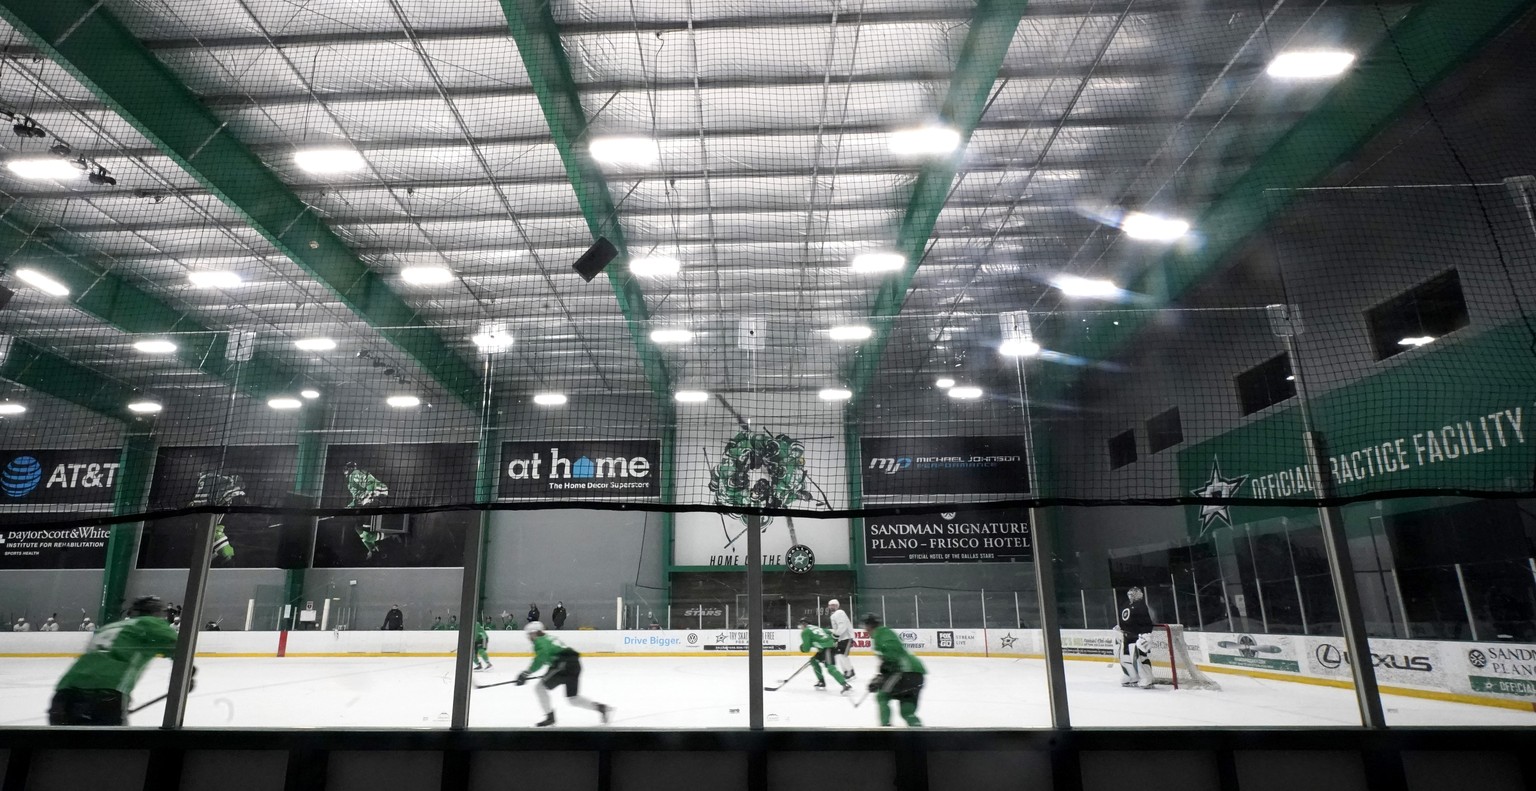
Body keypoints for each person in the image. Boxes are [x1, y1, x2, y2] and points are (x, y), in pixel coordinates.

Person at [49, 596, 183, 725]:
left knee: (63, 746)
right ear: (155, 612)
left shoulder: (109, 627)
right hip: (106, 693)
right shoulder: (150, 623)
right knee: (113, 746)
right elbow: (180, 647)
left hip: (64, 694)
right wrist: (187, 674)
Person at [517, 621, 610, 727]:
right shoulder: (548, 638)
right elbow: (551, 657)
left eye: (529, 634)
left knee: (540, 688)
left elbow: (540, 659)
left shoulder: (540, 642)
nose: (529, 637)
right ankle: (603, 708)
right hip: (573, 664)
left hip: (563, 665)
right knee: (573, 699)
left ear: (534, 633)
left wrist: (525, 673)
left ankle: (550, 717)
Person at [860, 613, 925, 727]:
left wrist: (883, 673)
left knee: (882, 696)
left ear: (869, 626)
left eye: (865, 626)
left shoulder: (881, 634)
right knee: (906, 710)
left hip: (905, 672)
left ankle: (885, 730)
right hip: (916, 673)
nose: (865, 630)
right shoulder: (884, 632)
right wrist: (883, 673)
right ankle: (918, 730)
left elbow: (892, 654)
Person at [343, 461, 390, 558]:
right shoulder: (350, 484)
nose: (344, 470)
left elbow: (370, 481)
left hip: (377, 498)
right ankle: (372, 549)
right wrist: (349, 506)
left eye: (346, 468)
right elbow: (356, 500)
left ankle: (391, 535)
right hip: (370, 502)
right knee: (358, 528)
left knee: (365, 533)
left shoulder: (356, 474)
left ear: (351, 468)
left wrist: (368, 494)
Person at [1114, 586, 1155, 689]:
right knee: (1125, 658)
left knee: (1139, 657)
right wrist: (1120, 627)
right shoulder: (1126, 605)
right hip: (1126, 636)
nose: (1131, 596)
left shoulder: (1141, 606)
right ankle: (1131, 676)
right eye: (1130, 594)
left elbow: (1146, 621)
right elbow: (1124, 618)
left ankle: (1147, 678)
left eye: (1133, 594)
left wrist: (1146, 633)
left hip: (1137, 636)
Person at [797, 617, 851, 692]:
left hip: (827, 649)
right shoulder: (816, 628)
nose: (800, 627)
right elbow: (829, 632)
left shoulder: (805, 632)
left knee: (830, 668)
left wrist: (802, 648)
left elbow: (806, 649)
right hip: (826, 648)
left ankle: (845, 684)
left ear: (804, 624)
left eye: (800, 625)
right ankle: (821, 682)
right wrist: (829, 641)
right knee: (813, 661)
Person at [826, 599, 855, 679]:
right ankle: (846, 671)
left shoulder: (839, 613)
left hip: (846, 637)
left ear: (837, 606)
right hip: (842, 638)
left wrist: (836, 635)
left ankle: (850, 672)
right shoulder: (834, 615)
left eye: (833, 605)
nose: (831, 607)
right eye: (830, 605)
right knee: (840, 655)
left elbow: (842, 626)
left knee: (842, 655)